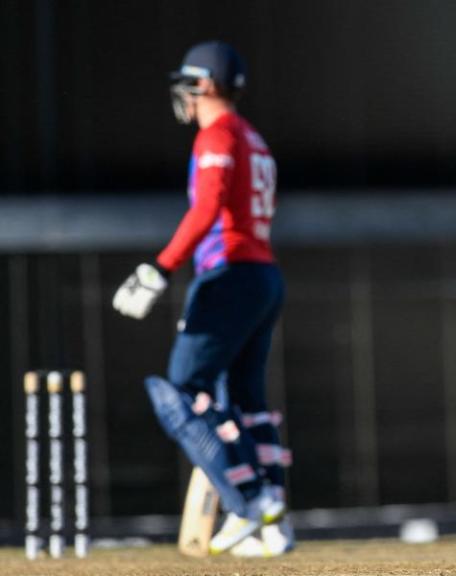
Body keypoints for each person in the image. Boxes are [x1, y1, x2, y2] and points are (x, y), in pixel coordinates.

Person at [111, 41, 293, 556]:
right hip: (263, 275)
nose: (185, 95)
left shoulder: (218, 132)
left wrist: (158, 268)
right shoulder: (253, 136)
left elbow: (209, 205)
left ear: (206, 84)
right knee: (247, 400)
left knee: (180, 394)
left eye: (190, 84)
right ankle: (275, 523)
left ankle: (247, 503)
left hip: (229, 274)